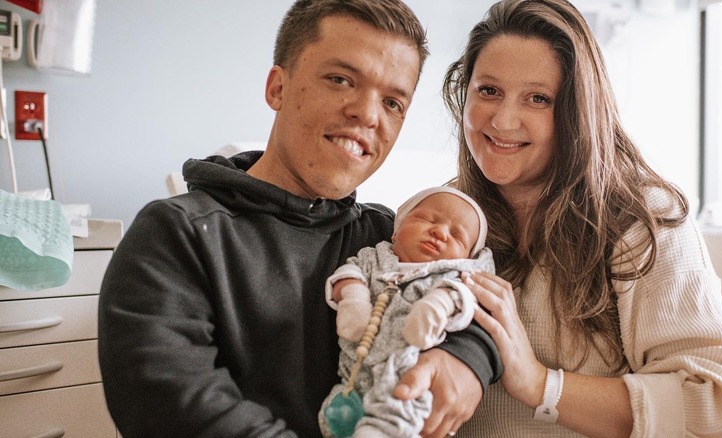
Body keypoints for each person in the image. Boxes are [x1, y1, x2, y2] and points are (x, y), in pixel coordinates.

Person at [97, 1, 501, 437]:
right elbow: (173, 406)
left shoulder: (390, 238)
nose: (367, 115)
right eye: (341, 79)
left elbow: (472, 292)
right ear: (277, 88)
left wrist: (469, 359)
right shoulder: (176, 235)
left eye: (392, 102)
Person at [439, 0, 722, 436]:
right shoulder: (443, 211)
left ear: (578, 113)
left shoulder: (641, 218)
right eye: (489, 91)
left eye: (538, 98)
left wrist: (541, 384)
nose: (503, 120)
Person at [319, 187, 495, 437]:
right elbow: (348, 273)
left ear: (467, 258)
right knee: (338, 414)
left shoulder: (453, 277)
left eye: (457, 235)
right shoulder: (374, 257)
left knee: (401, 406)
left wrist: (439, 304)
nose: (440, 232)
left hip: (409, 366)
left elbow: (464, 300)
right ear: (396, 229)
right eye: (428, 219)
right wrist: (353, 296)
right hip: (356, 367)